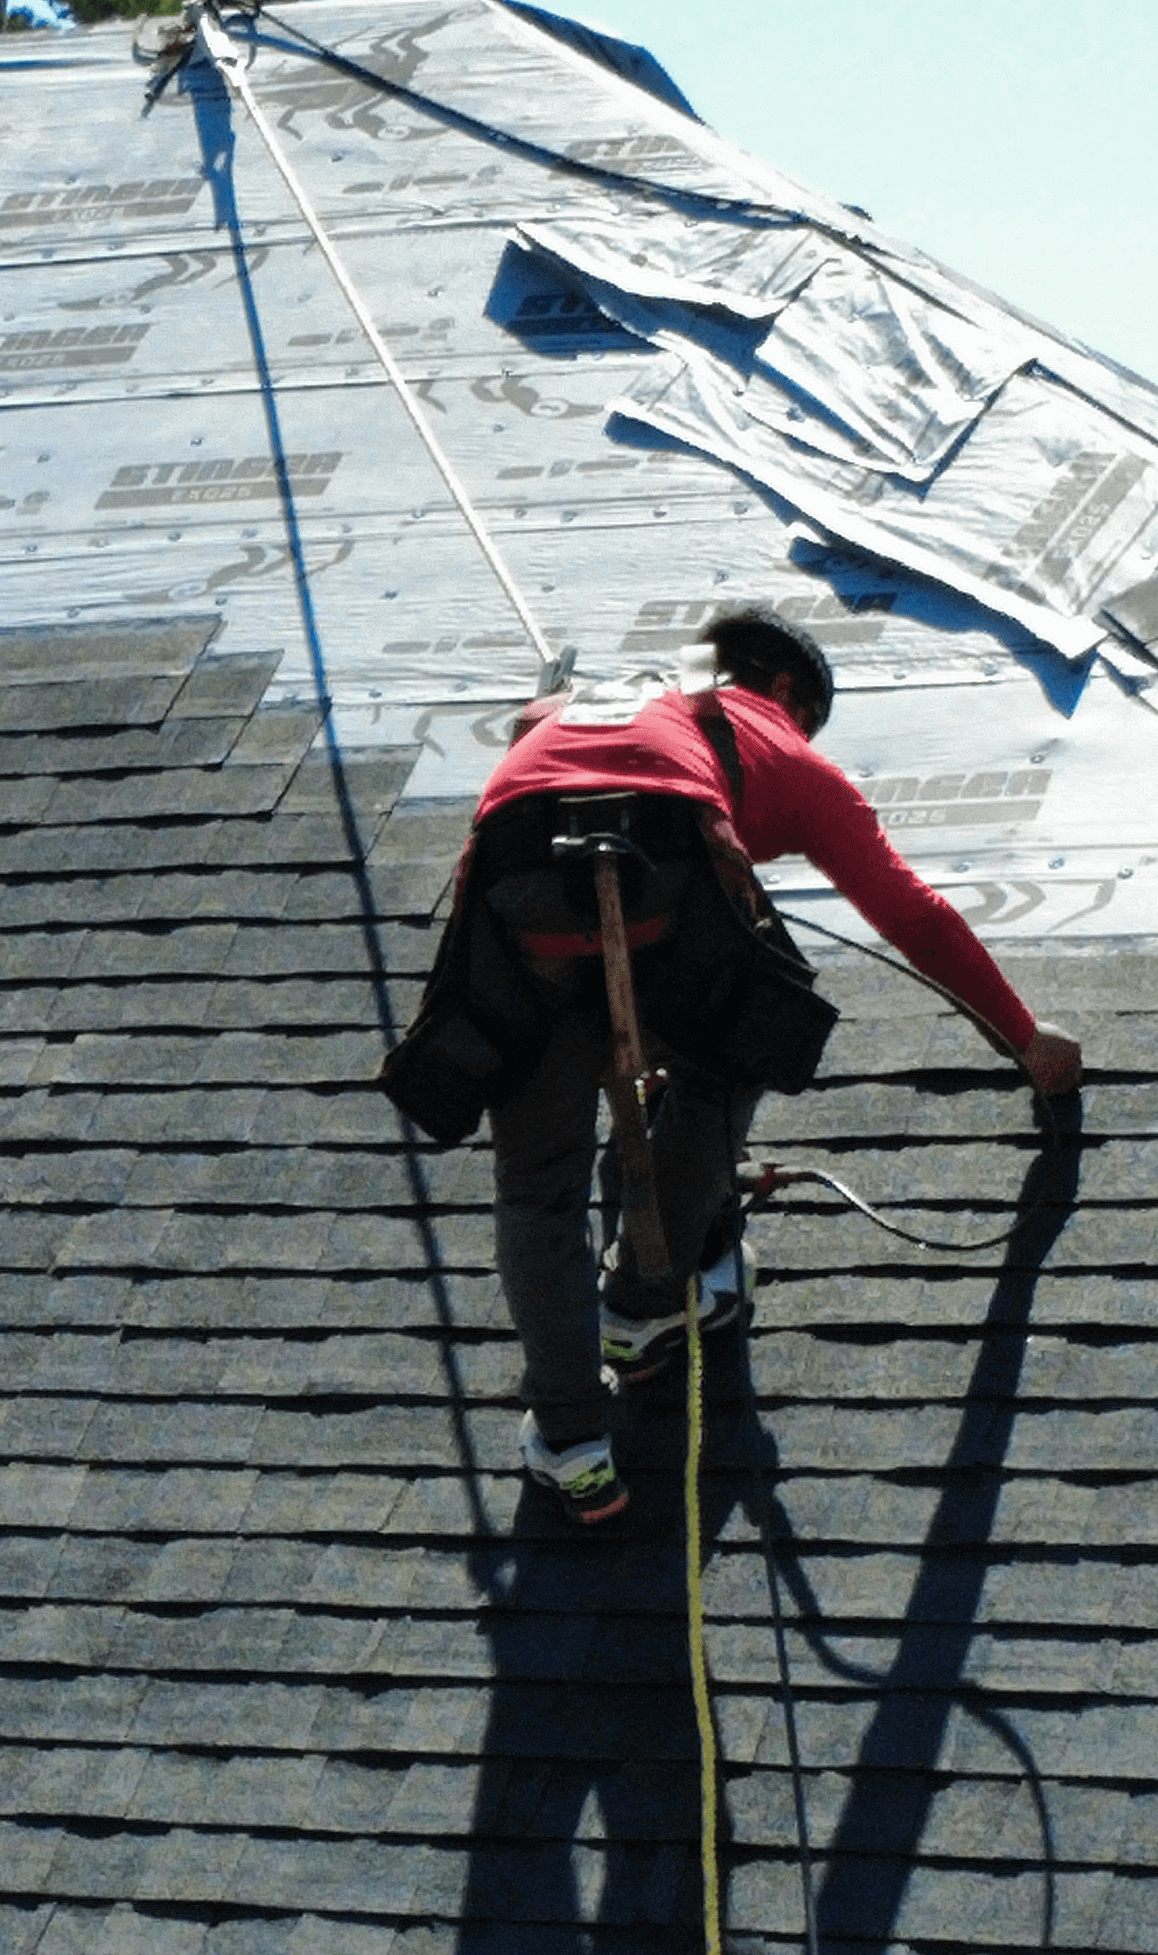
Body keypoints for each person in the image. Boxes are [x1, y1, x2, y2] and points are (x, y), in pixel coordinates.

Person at [445, 608, 1081, 1529]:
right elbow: (911, 916)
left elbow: (520, 732)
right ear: (783, 690)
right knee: (749, 1035)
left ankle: (572, 1443)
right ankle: (645, 1302)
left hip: (511, 902)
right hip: (657, 893)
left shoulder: (597, 703)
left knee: (534, 1189)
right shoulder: (787, 751)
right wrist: (1023, 1039)